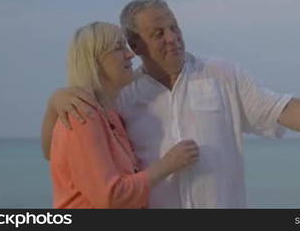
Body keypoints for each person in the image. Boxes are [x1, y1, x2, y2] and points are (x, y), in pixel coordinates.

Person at [42, 0, 300, 208]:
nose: (172, 38)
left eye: (174, 27)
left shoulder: (222, 74)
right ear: (135, 47)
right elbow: (62, 153)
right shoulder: (121, 98)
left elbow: (289, 110)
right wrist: (54, 103)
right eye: (158, 33)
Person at [49, 21, 199, 209]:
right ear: (95, 60)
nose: (130, 54)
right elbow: (110, 196)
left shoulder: (110, 114)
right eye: (119, 48)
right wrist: (168, 164)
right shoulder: (82, 117)